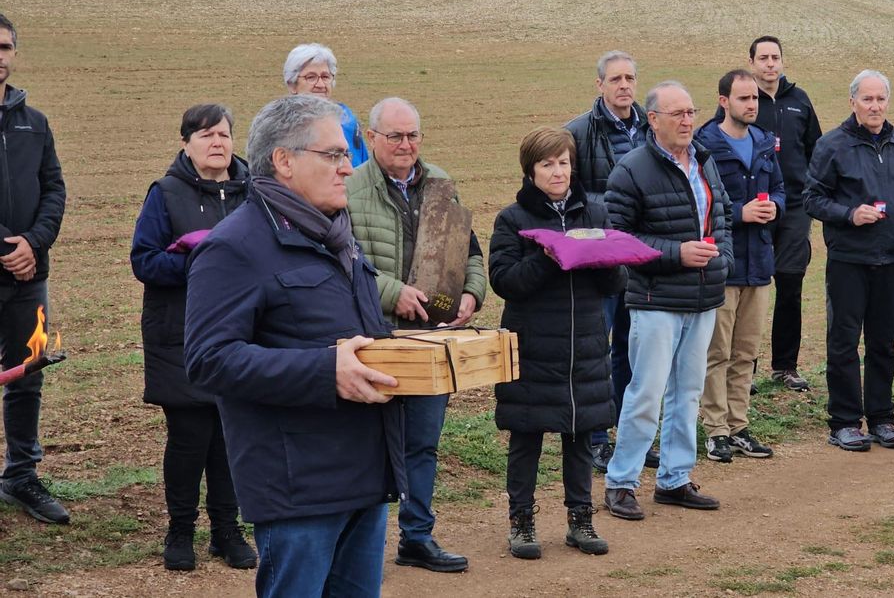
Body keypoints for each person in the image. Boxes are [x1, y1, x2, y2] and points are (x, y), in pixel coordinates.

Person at [185, 95, 406, 597]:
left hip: (365, 473)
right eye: (333, 155)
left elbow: (358, 338)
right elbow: (207, 359)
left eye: (347, 155)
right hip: (299, 487)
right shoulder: (235, 247)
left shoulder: (339, 239)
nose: (349, 169)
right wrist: (324, 371)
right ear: (284, 161)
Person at [346, 97, 486, 574]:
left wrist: (471, 293)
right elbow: (341, 263)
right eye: (395, 136)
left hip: (431, 339)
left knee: (422, 442)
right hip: (375, 338)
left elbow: (469, 251)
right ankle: (354, 545)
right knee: (365, 446)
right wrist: (392, 293)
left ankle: (416, 537)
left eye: (413, 136)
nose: (406, 145)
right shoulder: (349, 189)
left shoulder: (441, 182)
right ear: (370, 139)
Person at [489, 127, 625, 559]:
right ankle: (522, 523)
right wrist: (549, 259)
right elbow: (505, 282)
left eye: (563, 162)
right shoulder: (513, 219)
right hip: (532, 344)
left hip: (584, 343)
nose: (557, 171)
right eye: (547, 163)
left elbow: (616, 281)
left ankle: (580, 519)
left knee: (581, 434)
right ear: (530, 171)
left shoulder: (596, 213)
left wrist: (600, 258)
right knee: (526, 435)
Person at [130, 104, 256, 571]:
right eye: (205, 135)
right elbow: (144, 261)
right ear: (185, 143)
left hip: (240, 332)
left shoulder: (253, 191)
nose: (217, 143)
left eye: (223, 134)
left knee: (230, 437)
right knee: (188, 437)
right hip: (179, 333)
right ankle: (181, 530)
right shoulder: (165, 193)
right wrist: (198, 260)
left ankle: (227, 530)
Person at [602, 81, 732, 521]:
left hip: (704, 298)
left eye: (691, 112)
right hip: (656, 300)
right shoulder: (631, 169)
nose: (687, 120)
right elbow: (619, 239)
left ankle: (674, 479)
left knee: (688, 393)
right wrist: (676, 254)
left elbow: (723, 217)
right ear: (652, 119)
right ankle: (621, 482)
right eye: (676, 113)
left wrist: (723, 261)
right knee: (646, 393)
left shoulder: (704, 162)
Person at [803, 70, 894, 452]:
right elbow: (812, 198)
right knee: (843, 343)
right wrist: (850, 214)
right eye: (867, 99)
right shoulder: (832, 145)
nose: (875, 106)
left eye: (880, 99)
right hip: (848, 259)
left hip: (890, 259)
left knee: (883, 343)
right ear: (852, 102)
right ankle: (843, 422)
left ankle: (882, 418)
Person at [564, 51, 654, 473]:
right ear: (599, 85)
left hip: (643, 260)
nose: (624, 85)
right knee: (597, 347)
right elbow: (568, 197)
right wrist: (618, 213)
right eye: (615, 79)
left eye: (630, 78)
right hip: (601, 260)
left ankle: (629, 436)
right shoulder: (578, 132)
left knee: (633, 351)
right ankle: (596, 438)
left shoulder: (652, 128)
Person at [0, 13, 69, 525]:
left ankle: (21, 475)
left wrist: (33, 243)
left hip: (29, 275)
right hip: (11, 260)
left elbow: (54, 190)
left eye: (4, 46)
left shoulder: (34, 122)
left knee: (26, 377)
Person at [696, 70, 783, 463]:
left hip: (760, 265)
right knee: (717, 352)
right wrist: (740, 212)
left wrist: (775, 206)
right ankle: (715, 430)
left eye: (755, 99)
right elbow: (700, 202)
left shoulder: (765, 143)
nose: (752, 105)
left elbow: (781, 188)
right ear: (723, 101)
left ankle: (739, 425)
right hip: (723, 265)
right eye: (744, 99)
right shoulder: (705, 145)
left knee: (746, 351)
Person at [746, 36, 822, 392]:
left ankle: (785, 366)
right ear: (752, 63)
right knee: (750, 286)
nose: (770, 64)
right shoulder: (743, 100)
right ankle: (743, 369)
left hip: (794, 207)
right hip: (755, 206)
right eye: (763, 58)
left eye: (775, 57)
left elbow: (817, 149)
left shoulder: (799, 100)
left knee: (790, 284)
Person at [283, 43, 369, 167]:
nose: (320, 84)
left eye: (325, 77)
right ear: (292, 85)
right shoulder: (281, 126)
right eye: (311, 77)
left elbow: (362, 165)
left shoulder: (346, 119)